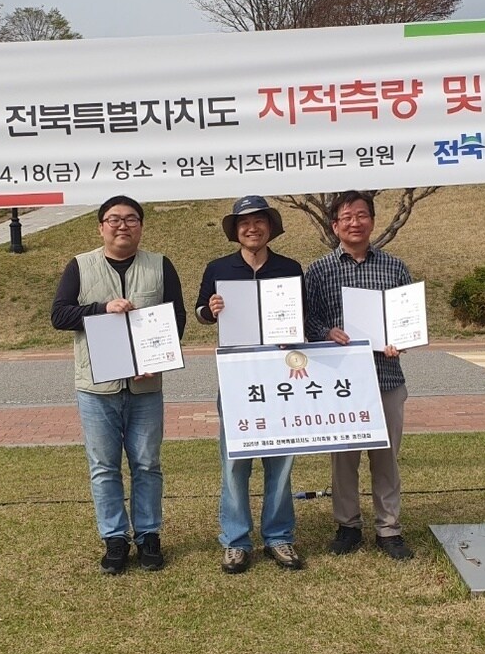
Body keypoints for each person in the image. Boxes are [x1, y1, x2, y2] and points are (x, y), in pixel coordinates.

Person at [51, 196, 186, 575]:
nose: (122, 225)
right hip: (96, 387)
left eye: (130, 219)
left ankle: (148, 535)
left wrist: (154, 361)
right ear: (101, 227)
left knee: (147, 463)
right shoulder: (80, 265)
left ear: (141, 226)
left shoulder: (159, 265)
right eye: (113, 219)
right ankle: (114, 538)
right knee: (104, 466)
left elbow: (176, 318)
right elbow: (59, 315)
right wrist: (100, 308)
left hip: (146, 386)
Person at [195, 195, 306, 575]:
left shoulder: (289, 268)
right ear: (235, 231)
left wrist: (294, 334)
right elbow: (201, 312)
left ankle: (279, 536)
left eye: (259, 221)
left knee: (282, 459)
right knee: (235, 461)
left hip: (279, 377)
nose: (252, 228)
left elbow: (302, 316)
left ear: (270, 227)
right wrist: (210, 310)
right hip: (237, 375)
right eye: (244, 223)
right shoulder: (218, 268)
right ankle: (236, 540)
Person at [304, 190, 414, 561]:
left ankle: (389, 529)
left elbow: (407, 318)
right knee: (344, 458)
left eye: (362, 215)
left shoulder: (394, 268)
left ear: (372, 221)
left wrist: (401, 339)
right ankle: (347, 526)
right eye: (347, 217)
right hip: (341, 381)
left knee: (386, 457)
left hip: (386, 376)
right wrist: (326, 332)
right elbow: (307, 319)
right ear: (335, 225)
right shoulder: (319, 270)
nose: (355, 222)